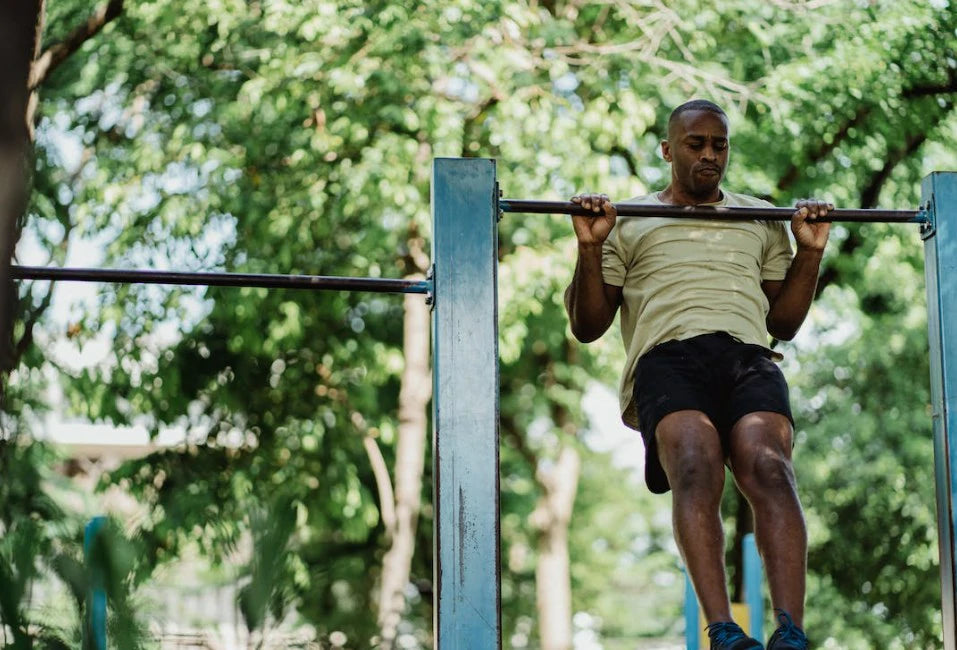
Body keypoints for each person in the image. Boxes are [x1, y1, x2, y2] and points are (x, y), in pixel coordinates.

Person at [564, 99, 831, 650]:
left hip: (748, 355)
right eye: (696, 144)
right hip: (668, 359)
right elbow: (588, 325)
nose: (710, 154)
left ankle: (791, 633)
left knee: (770, 466)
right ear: (668, 150)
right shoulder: (629, 219)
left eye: (720, 144)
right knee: (695, 461)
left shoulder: (758, 215)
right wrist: (590, 247)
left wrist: (810, 254)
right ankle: (724, 630)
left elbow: (784, 320)